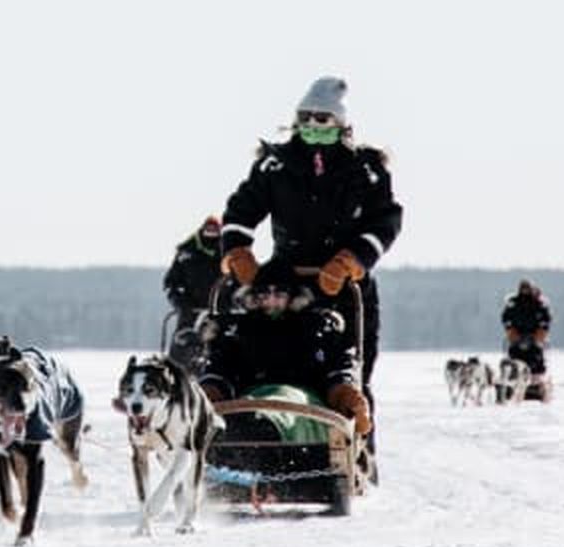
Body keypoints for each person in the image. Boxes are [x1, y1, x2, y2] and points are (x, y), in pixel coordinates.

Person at [218, 76, 402, 446]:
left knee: (351, 373)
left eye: (322, 119)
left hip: (345, 286)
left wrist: (352, 259)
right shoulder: (276, 165)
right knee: (259, 360)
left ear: (341, 124)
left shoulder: (365, 170)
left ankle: (357, 453)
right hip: (284, 284)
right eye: (306, 117)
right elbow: (240, 211)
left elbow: (386, 219)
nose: (313, 126)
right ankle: (248, 440)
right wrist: (238, 253)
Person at [199, 260, 372, 435]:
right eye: (264, 294)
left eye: (279, 294)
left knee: (283, 409)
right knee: (241, 411)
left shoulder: (315, 328)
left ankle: (265, 428)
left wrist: (345, 395)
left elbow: (337, 369)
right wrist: (210, 392)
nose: (271, 300)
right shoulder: (238, 331)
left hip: (304, 402)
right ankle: (249, 428)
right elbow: (221, 370)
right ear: (253, 297)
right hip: (248, 399)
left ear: (293, 297)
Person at [163, 216, 223, 369]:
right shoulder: (186, 253)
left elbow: (239, 282)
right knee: (180, 356)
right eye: (208, 229)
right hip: (189, 314)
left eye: (215, 229)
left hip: (222, 314)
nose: (211, 233)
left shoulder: (230, 254)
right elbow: (171, 283)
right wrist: (181, 304)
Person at [501, 279, 552, 375]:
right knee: (514, 354)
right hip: (516, 335)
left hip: (534, 336)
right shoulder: (513, 303)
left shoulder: (539, 303)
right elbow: (506, 318)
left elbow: (546, 320)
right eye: (523, 288)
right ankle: (513, 374)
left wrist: (541, 331)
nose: (525, 291)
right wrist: (510, 329)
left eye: (527, 288)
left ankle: (537, 377)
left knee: (536, 356)